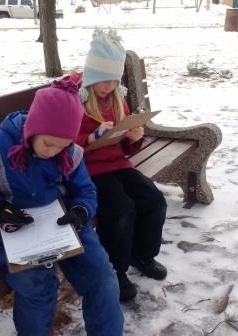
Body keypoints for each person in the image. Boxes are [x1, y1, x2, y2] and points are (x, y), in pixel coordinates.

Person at [0, 79, 124, 336]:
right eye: (49, 144)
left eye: (62, 146)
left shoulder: (69, 152)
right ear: (33, 128)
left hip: (64, 223)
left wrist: (81, 210)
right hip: (18, 226)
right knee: (36, 287)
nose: (53, 152)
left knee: (103, 278)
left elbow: (85, 190)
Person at [73, 29, 168, 302]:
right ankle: (116, 270)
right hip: (89, 168)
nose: (107, 87)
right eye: (102, 80)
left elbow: (124, 145)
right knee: (120, 209)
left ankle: (142, 253)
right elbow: (62, 140)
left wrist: (133, 137)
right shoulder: (75, 98)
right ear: (91, 74)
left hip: (117, 163)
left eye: (113, 80)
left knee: (153, 199)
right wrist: (89, 138)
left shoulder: (118, 98)